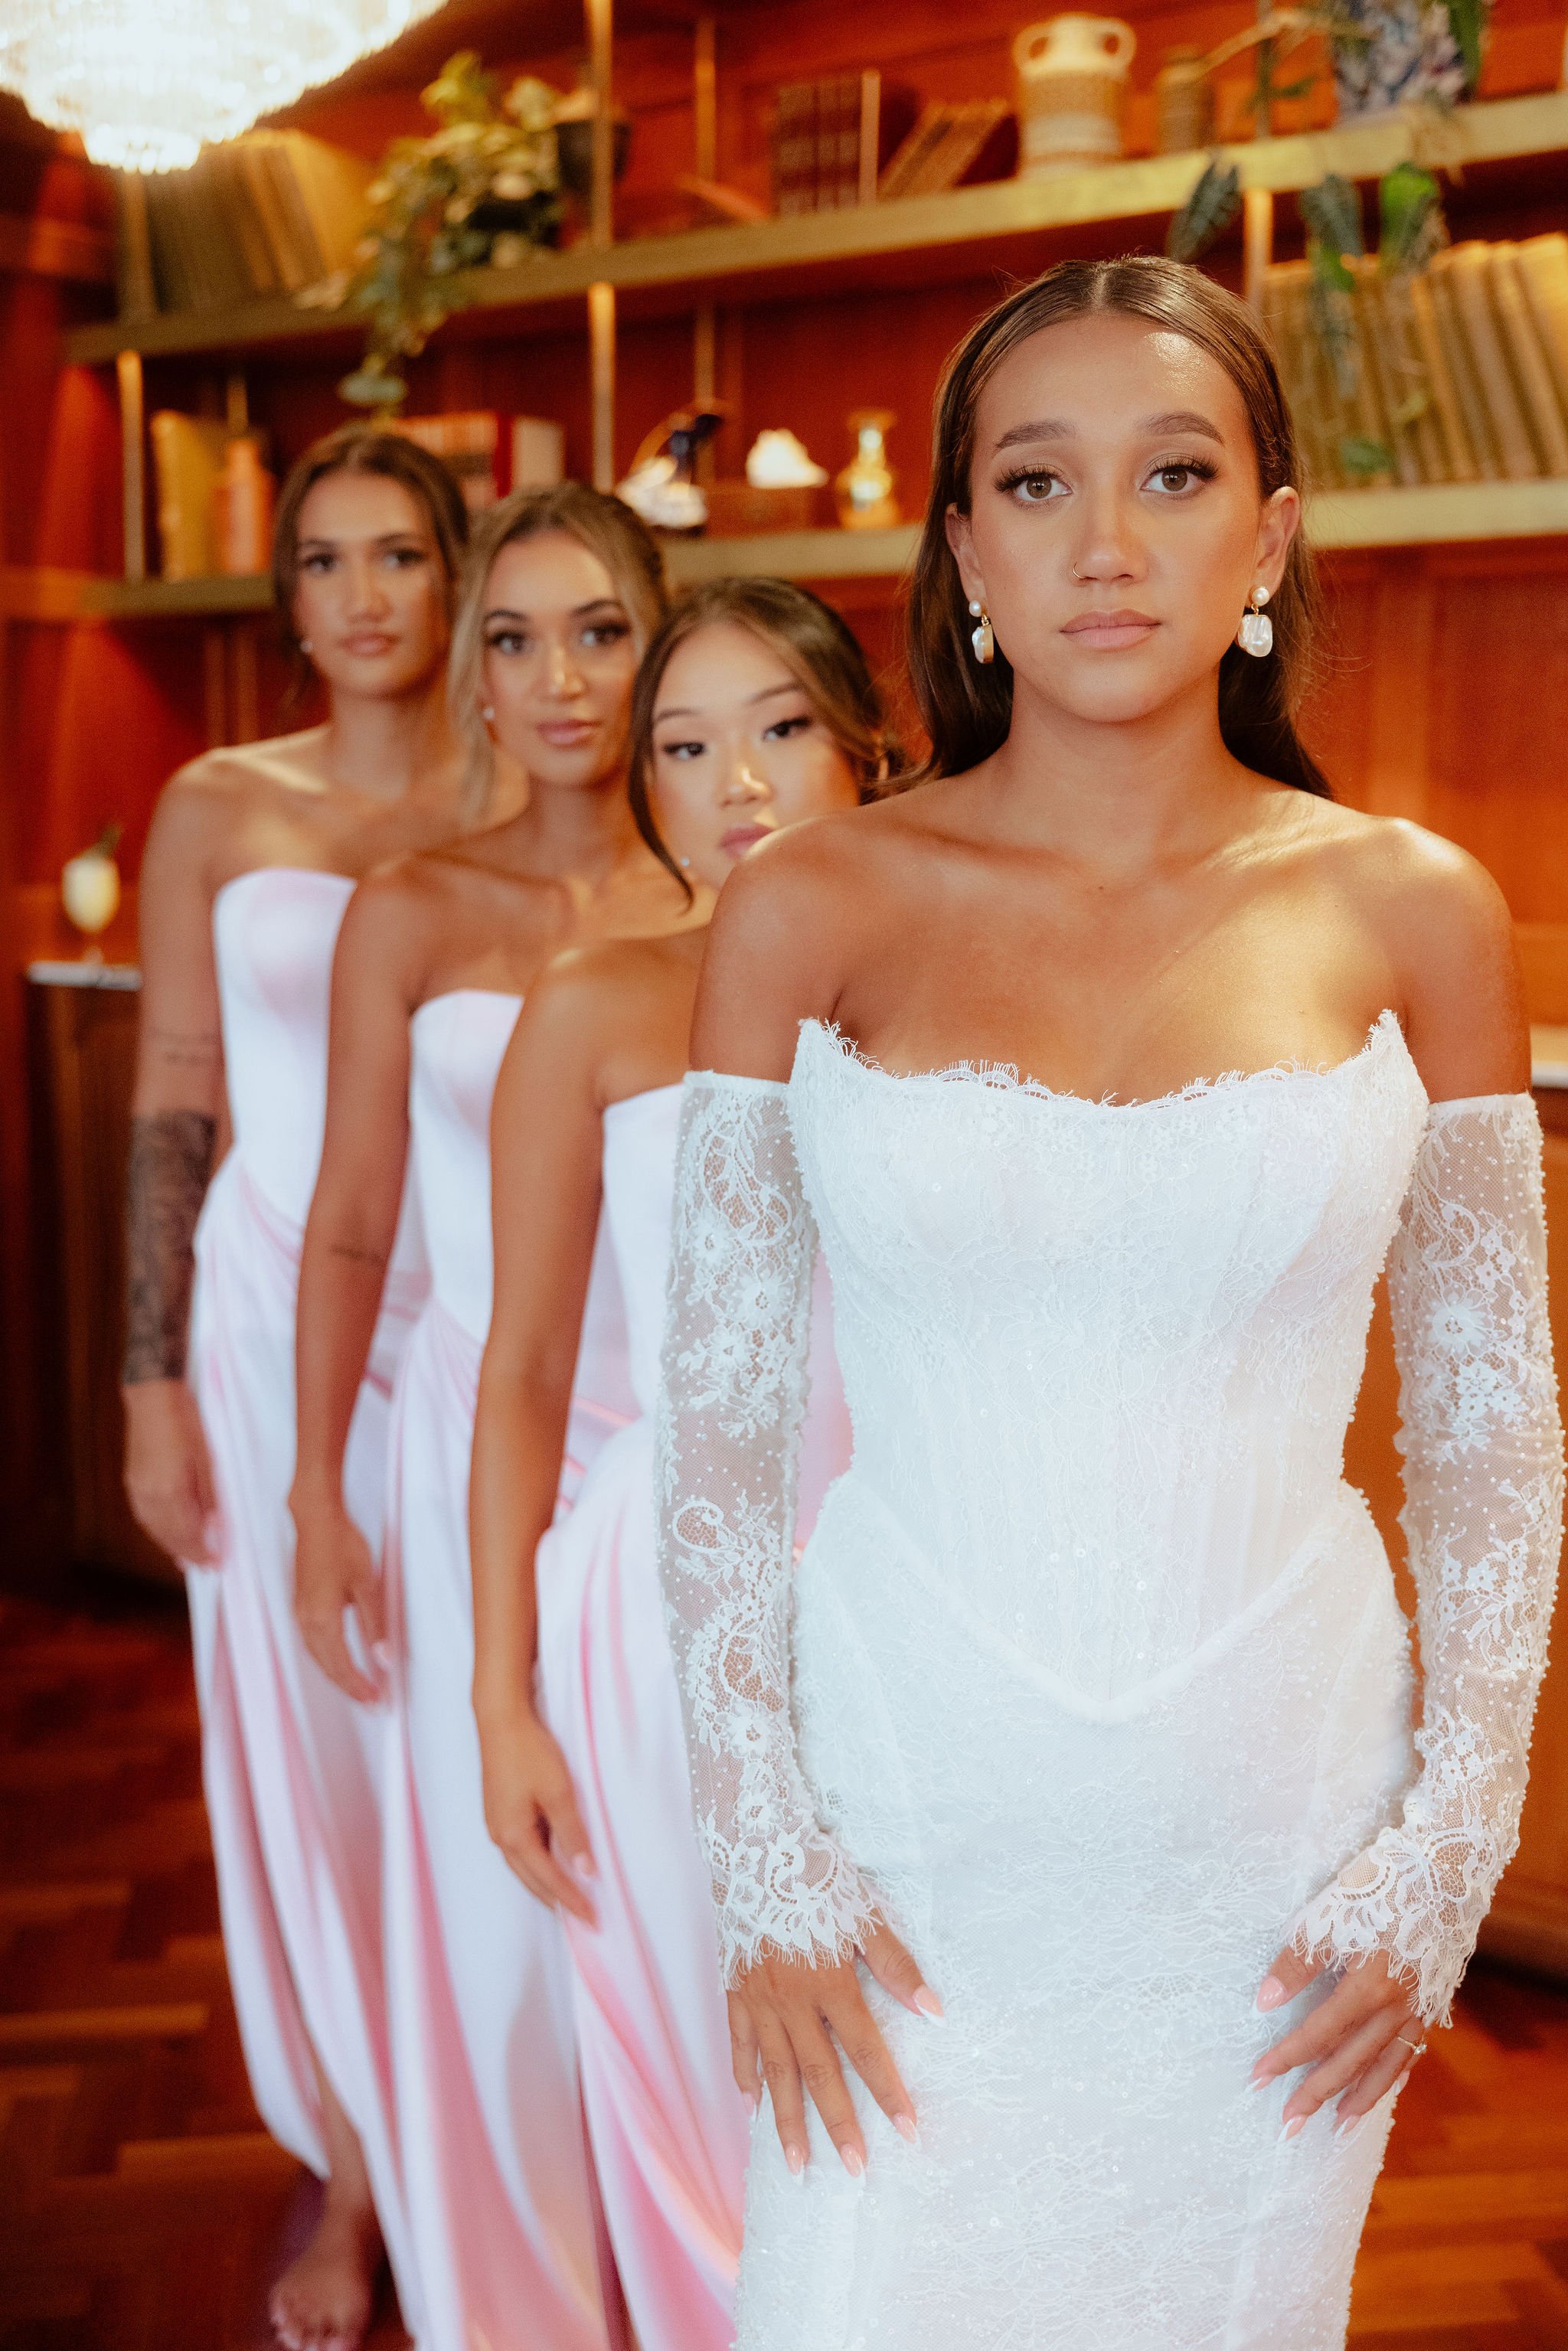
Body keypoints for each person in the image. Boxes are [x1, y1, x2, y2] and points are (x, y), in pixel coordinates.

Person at [652, 257, 1563, 2351]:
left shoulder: (1415, 910)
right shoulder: (813, 908)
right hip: (900, 1813)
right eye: (1036, 483)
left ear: (1272, 532)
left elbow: (1494, 1432)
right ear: (962, 546)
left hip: (1274, 1828)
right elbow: (714, 1429)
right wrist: (765, 1860)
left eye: (1175, 473)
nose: (1108, 541)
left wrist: (1450, 1848)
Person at [289, 485, 697, 2351]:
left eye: (600, 630)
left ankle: (695, 2262)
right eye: (516, 638)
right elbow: (357, 1216)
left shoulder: (732, 901)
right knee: (491, 1892)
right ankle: (506, 2296)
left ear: (661, 639)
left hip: (695, 1441)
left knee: (672, 1891)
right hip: (480, 1430)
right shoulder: (415, 910)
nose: (560, 681)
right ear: (474, 667)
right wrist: (314, 1488)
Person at [469, 577, 888, 2351]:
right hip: (653, 1625)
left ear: (874, 744)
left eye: (781, 727)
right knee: (714, 2088)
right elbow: (522, 1378)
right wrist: (502, 1704)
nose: (737, 783)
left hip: (908, 1598)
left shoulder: (959, 993)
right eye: (687, 745)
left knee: (896, 2082)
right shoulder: (589, 1008)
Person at [120, 423, 475, 2351]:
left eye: (399, 557)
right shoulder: (214, 805)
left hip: (492, 1320)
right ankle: (356, 2171)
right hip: (269, 1339)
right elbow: (177, 1090)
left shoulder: (535, 768)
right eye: (324, 564)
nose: (363, 599)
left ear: (453, 573)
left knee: (491, 1728)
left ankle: (525, 2122)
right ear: (290, 604)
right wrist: (150, 1384)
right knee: (319, 1756)